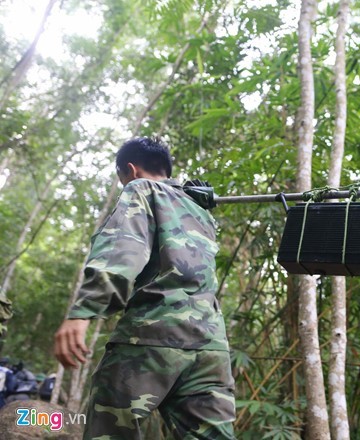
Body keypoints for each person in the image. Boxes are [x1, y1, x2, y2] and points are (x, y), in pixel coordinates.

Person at [53, 137, 235, 439]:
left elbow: (123, 249)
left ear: (130, 170)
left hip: (153, 334)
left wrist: (83, 311)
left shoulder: (139, 189)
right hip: (210, 348)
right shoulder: (201, 209)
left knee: (108, 430)